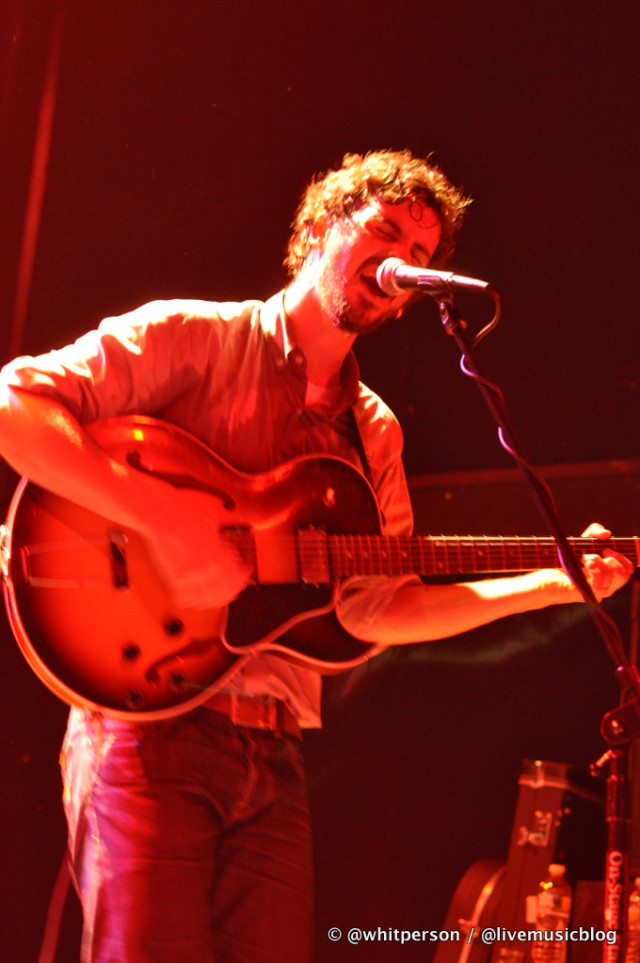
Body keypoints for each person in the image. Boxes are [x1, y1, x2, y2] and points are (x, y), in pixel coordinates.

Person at [0, 149, 632, 962]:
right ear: (320, 228)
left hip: (276, 758)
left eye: (425, 255)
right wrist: (160, 516)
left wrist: (554, 583)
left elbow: (379, 605)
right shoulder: (189, 336)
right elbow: (14, 403)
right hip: (149, 733)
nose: (405, 260)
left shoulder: (375, 434)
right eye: (384, 230)